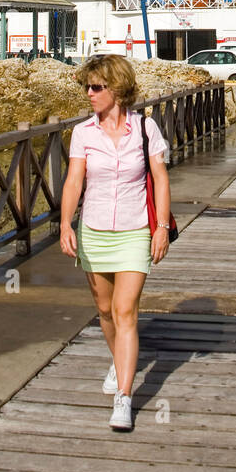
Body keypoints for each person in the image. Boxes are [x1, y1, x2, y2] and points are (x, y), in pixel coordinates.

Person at [59, 54, 171, 432]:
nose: (89, 94)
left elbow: (160, 178)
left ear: (117, 89)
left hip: (135, 230)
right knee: (105, 312)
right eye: (86, 87)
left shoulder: (146, 130)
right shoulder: (83, 133)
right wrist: (64, 224)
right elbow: (75, 180)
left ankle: (124, 398)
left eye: (96, 87)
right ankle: (118, 359)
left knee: (125, 312)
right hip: (93, 231)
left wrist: (161, 230)